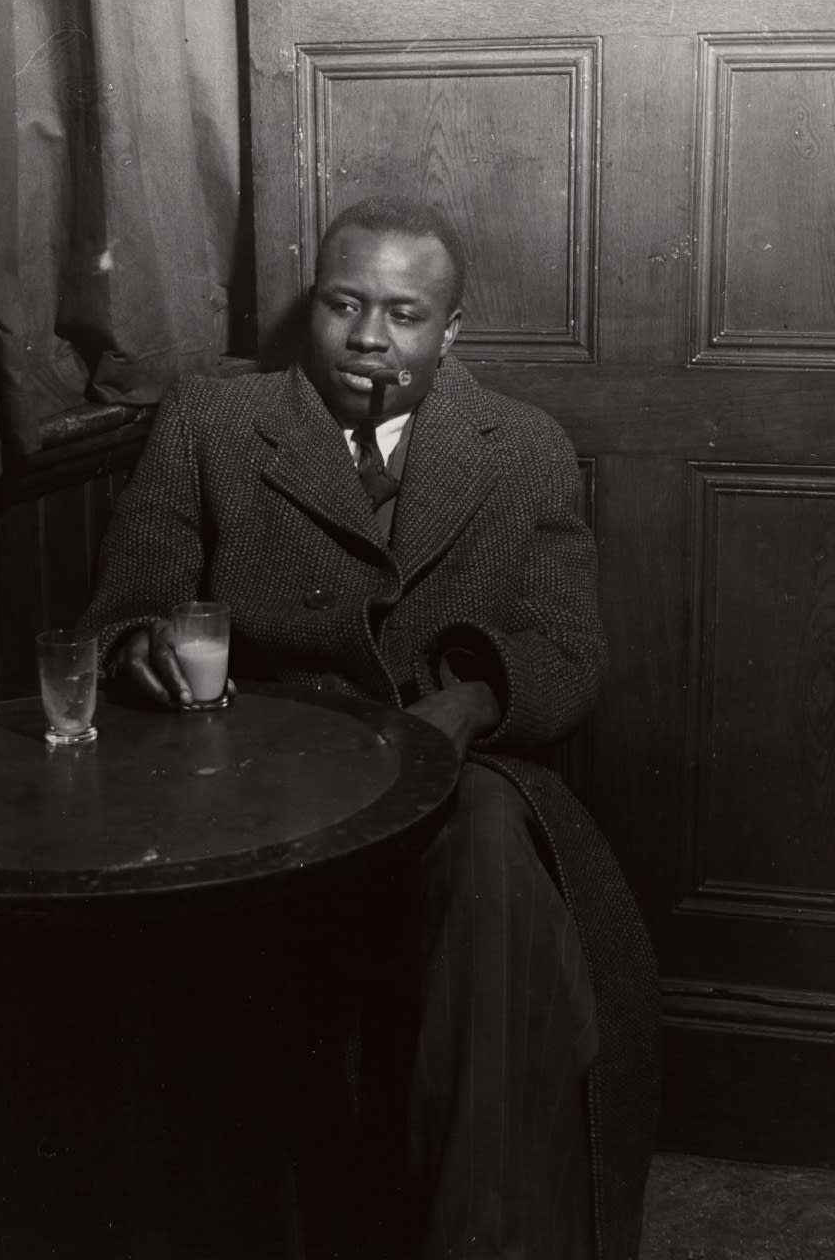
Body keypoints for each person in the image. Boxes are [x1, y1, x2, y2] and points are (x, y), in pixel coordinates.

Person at [81, 197, 661, 1259]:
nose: (367, 339)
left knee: (488, 858)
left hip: (460, 776)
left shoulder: (523, 444)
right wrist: (144, 653)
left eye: (404, 314)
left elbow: (570, 650)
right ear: (315, 308)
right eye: (345, 305)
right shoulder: (210, 423)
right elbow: (127, 606)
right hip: (257, 774)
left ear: (451, 331)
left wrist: (470, 703)